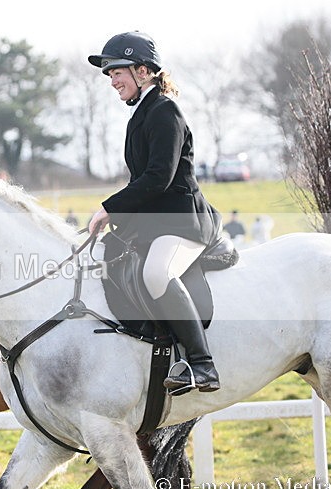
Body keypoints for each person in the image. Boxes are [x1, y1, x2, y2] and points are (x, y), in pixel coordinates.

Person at [87, 31, 223, 393]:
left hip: (184, 223)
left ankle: (202, 364)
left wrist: (108, 209)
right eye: (110, 75)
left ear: (143, 70)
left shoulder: (165, 111)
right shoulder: (142, 114)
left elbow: (158, 179)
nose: (112, 81)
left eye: (117, 72)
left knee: (157, 274)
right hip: (156, 223)